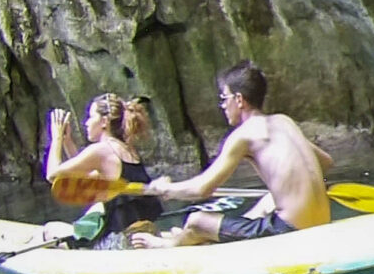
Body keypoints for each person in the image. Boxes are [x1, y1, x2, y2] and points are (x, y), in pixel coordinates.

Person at [132, 62, 332, 245]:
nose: (222, 106)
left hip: (288, 229)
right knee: (257, 210)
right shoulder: (284, 121)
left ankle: (167, 243)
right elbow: (325, 162)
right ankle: (191, 237)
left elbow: (202, 189)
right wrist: (279, 193)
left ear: (239, 100)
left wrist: (165, 189)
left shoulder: (244, 135)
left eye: (224, 98)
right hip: (321, 221)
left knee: (197, 220)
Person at [37, 94, 160, 247]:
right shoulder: (127, 149)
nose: (86, 123)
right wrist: (68, 142)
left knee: (50, 229)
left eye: (90, 117)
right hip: (139, 234)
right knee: (93, 211)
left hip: (117, 242)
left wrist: (56, 138)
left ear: (104, 122)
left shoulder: (102, 150)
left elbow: (52, 176)